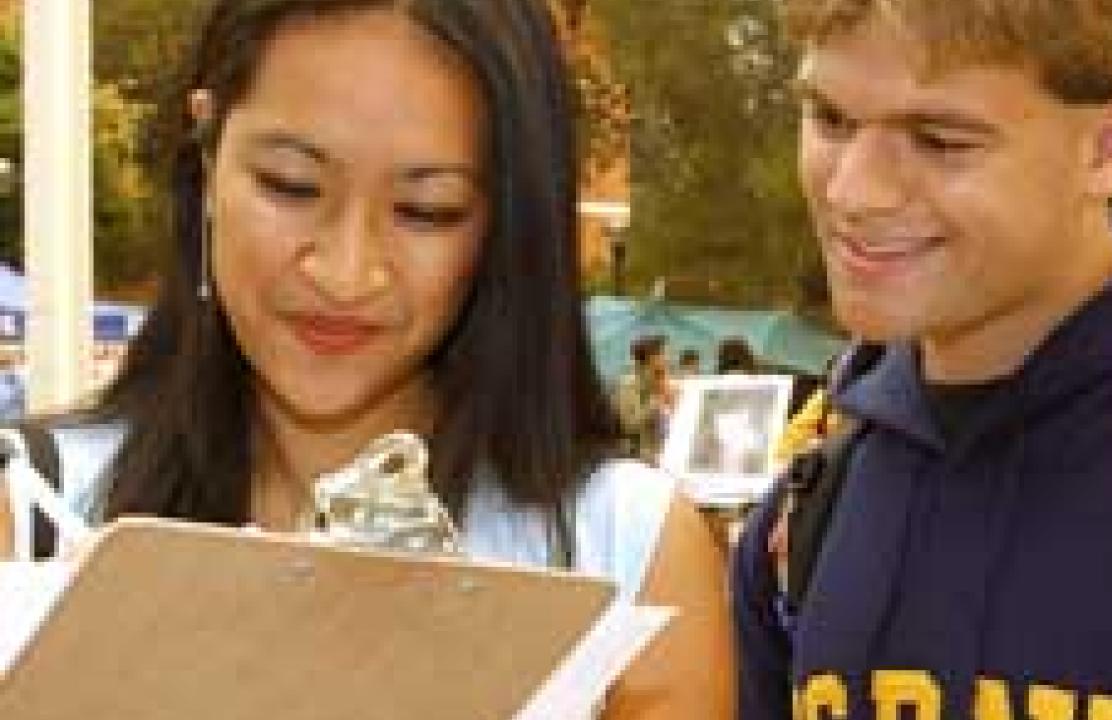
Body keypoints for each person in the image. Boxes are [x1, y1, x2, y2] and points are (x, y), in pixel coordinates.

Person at [0, 1, 733, 716]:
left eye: (426, 211)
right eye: (290, 186)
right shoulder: (35, 509)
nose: (347, 272)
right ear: (207, 151)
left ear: (506, 225)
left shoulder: (626, 549)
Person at [732, 0, 1112, 718]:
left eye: (939, 139)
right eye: (830, 119)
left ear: (1109, 147)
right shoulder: (810, 510)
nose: (853, 192)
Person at [613, 335, 675, 464]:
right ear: (642, 365)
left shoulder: (664, 383)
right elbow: (628, 425)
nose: (665, 359)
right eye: (660, 354)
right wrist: (655, 402)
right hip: (640, 458)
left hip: (665, 451)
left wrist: (674, 403)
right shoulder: (627, 387)